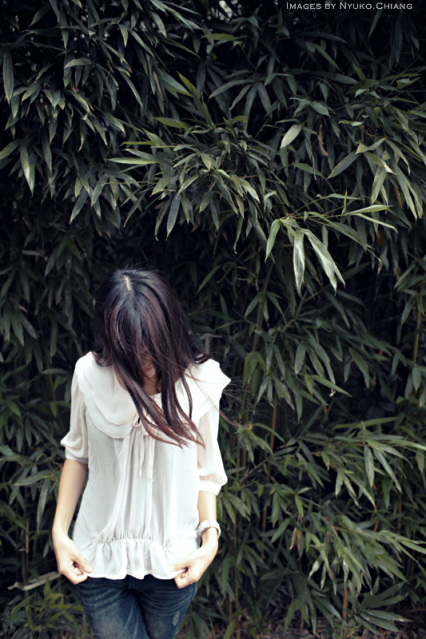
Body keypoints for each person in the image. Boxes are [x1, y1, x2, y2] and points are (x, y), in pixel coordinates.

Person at [52, 268, 230, 639]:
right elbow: (78, 454)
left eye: (150, 344)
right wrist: (59, 532)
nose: (143, 357)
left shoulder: (201, 381)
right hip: (97, 560)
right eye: (130, 347)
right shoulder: (88, 374)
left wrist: (210, 542)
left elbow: (206, 473)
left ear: (169, 329)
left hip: (174, 563)